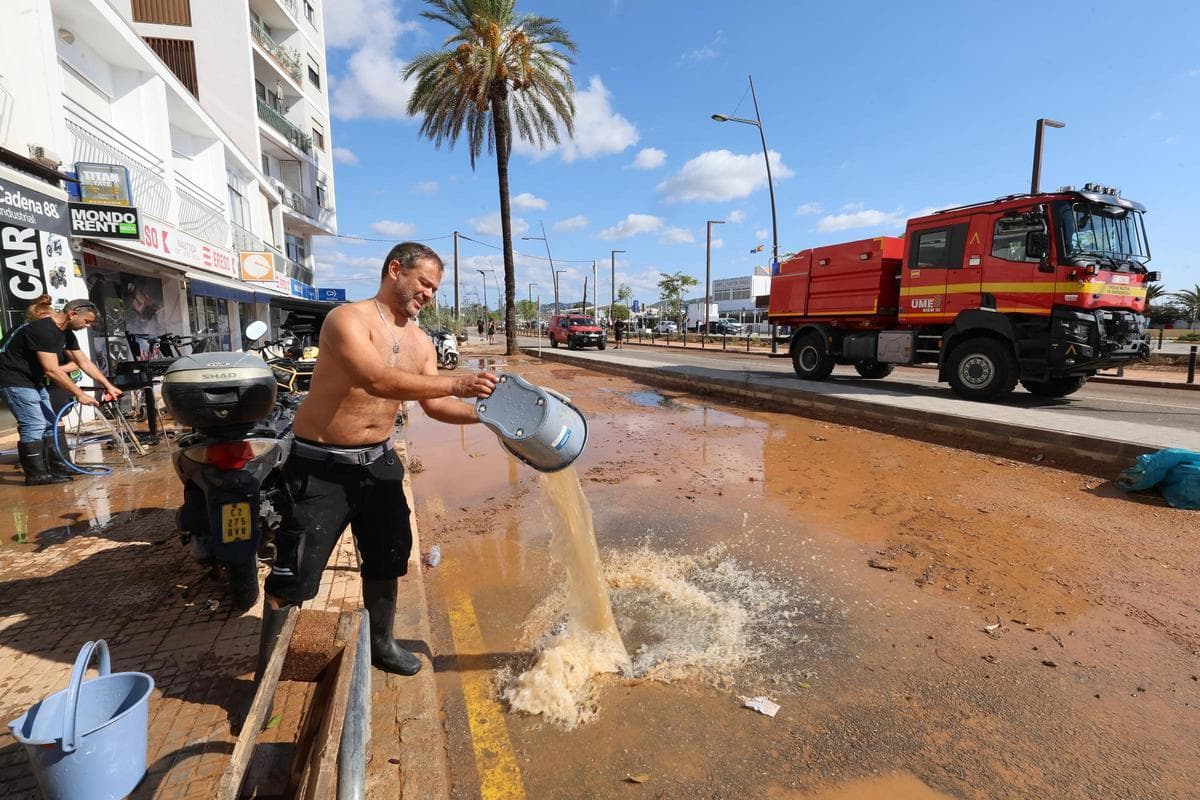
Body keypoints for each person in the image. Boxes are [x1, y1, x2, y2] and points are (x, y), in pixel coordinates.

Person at [260, 242, 498, 677]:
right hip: (321, 466)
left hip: (379, 464)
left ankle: (382, 644)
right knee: (295, 574)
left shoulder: (422, 341)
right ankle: (268, 672)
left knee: (387, 559)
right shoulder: (348, 320)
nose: (428, 294)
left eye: (434, 288)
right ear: (395, 270)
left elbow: (435, 406)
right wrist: (458, 383)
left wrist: (488, 417)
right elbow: (376, 380)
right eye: (424, 282)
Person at [0, 299, 121, 485]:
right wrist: (79, 394)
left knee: (51, 423)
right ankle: (36, 475)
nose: (87, 326)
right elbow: (52, 370)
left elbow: (84, 363)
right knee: (34, 424)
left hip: (33, 380)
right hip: (13, 379)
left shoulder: (66, 334)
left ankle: (60, 466)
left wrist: (108, 385)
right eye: (86, 321)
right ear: (73, 313)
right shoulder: (42, 330)